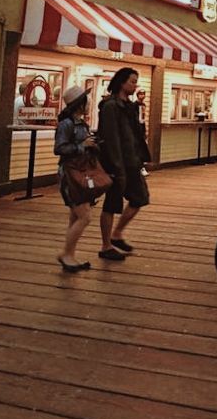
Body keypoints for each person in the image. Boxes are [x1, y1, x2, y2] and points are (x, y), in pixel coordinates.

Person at [97, 67, 150, 261]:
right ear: (122, 82)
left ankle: (117, 233)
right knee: (111, 204)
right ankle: (105, 246)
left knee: (140, 198)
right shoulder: (110, 106)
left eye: (136, 82)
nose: (135, 85)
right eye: (132, 81)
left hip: (132, 161)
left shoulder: (130, 106)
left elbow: (134, 134)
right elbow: (111, 138)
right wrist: (115, 166)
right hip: (116, 163)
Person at [54, 85, 99, 272]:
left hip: (81, 172)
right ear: (79, 103)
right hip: (70, 175)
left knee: (75, 215)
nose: (89, 103)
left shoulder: (81, 123)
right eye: (86, 100)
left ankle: (69, 254)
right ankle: (66, 254)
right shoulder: (67, 124)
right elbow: (59, 148)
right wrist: (82, 145)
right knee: (85, 216)